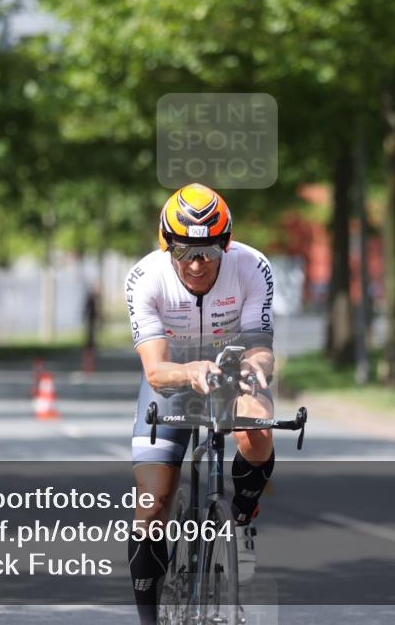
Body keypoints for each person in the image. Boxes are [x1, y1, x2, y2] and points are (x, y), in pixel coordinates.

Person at [124, 183, 276, 624]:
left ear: (225, 246)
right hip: (172, 379)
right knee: (152, 505)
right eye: (183, 252)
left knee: (259, 428)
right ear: (165, 246)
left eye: (207, 252)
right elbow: (155, 371)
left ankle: (241, 521)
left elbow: (261, 345)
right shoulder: (145, 278)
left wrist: (255, 365)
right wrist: (190, 371)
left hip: (229, 370)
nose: (194, 264)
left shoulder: (253, 267)